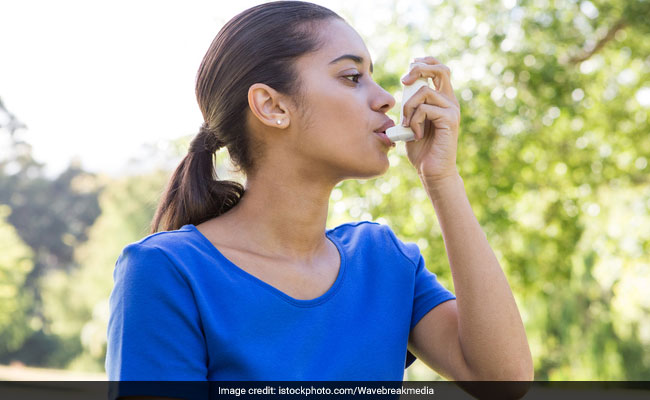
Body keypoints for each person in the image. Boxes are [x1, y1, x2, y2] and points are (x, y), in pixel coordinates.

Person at [105, 0, 533, 386]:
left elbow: (504, 380)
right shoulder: (166, 272)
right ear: (272, 106)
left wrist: (442, 178)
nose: (386, 99)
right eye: (352, 77)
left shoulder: (383, 261)